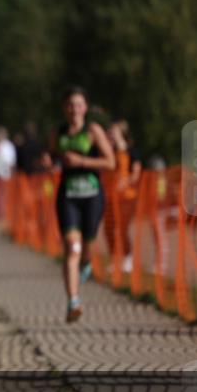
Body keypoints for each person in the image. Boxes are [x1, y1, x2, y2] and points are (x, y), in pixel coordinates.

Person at [49, 87, 115, 323]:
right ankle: (73, 301)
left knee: (87, 248)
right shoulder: (58, 132)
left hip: (92, 195)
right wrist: (49, 160)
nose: (73, 109)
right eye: (69, 104)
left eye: (78, 104)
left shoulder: (92, 131)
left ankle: (85, 265)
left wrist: (82, 161)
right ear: (64, 108)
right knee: (71, 247)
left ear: (85, 108)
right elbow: (51, 155)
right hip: (68, 195)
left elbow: (111, 162)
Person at [105, 119, 142, 274]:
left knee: (122, 228)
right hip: (110, 196)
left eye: (113, 131)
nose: (110, 134)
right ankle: (115, 259)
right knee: (108, 229)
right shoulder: (108, 151)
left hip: (127, 197)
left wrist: (125, 181)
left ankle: (128, 258)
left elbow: (136, 173)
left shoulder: (131, 151)